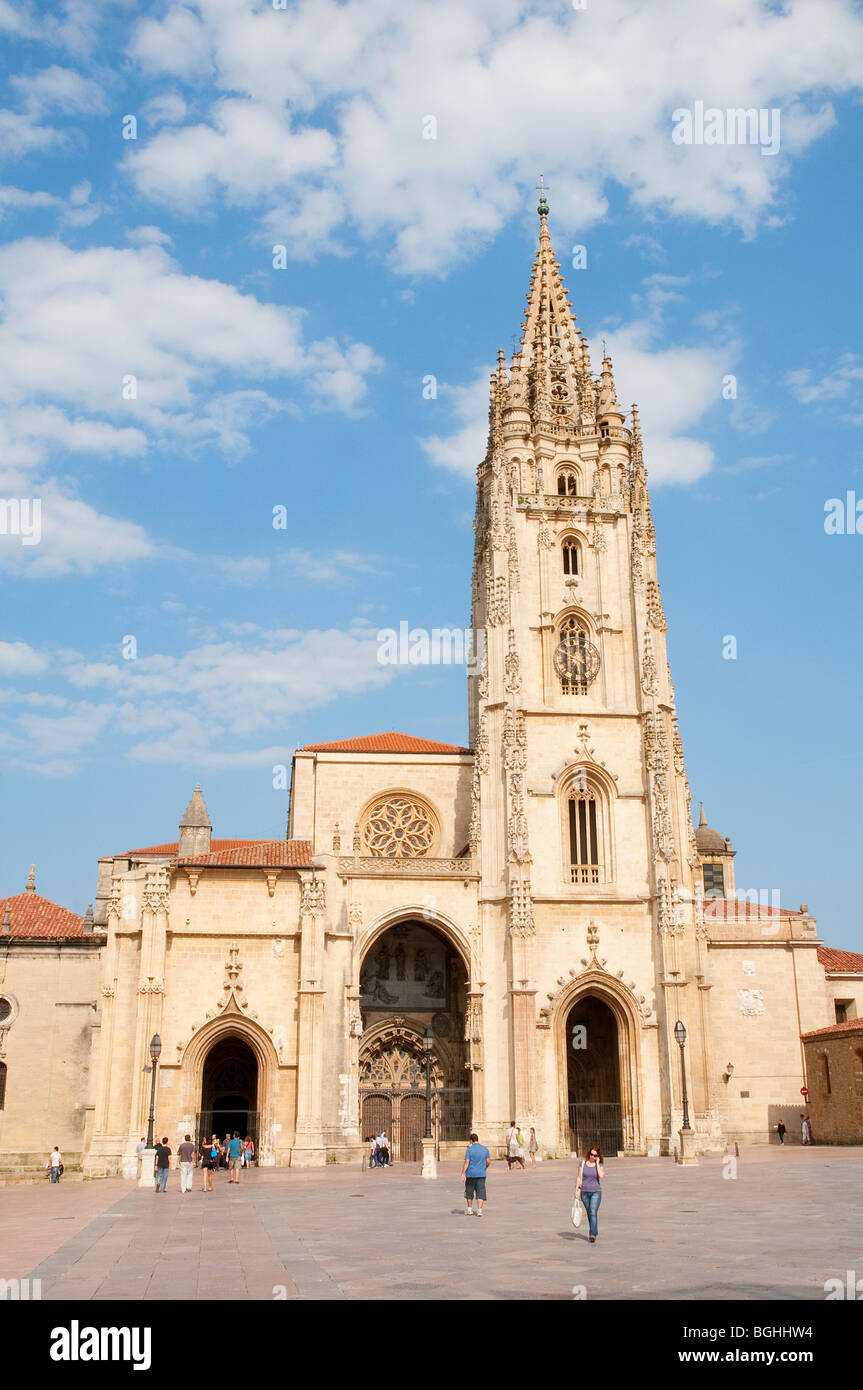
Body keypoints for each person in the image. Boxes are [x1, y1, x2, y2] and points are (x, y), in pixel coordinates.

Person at [575, 1144, 604, 1243]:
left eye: (595, 1155)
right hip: (584, 1192)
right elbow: (579, 1177)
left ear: (598, 1157)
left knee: (592, 1211)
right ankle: (594, 1231)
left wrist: (597, 1163)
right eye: (591, 1154)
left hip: (596, 1192)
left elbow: (601, 1175)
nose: (593, 1157)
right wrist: (576, 1191)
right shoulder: (582, 1163)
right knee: (590, 1213)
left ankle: (592, 1234)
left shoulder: (599, 1165)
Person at [461, 1131, 491, 1216]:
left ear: (471, 1140)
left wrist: (463, 1172)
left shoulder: (469, 1149)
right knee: (480, 1191)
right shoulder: (485, 1149)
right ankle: (479, 1210)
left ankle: (470, 1209)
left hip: (471, 1174)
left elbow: (467, 1162)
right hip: (481, 1173)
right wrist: (485, 1167)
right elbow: (488, 1161)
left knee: (469, 1191)